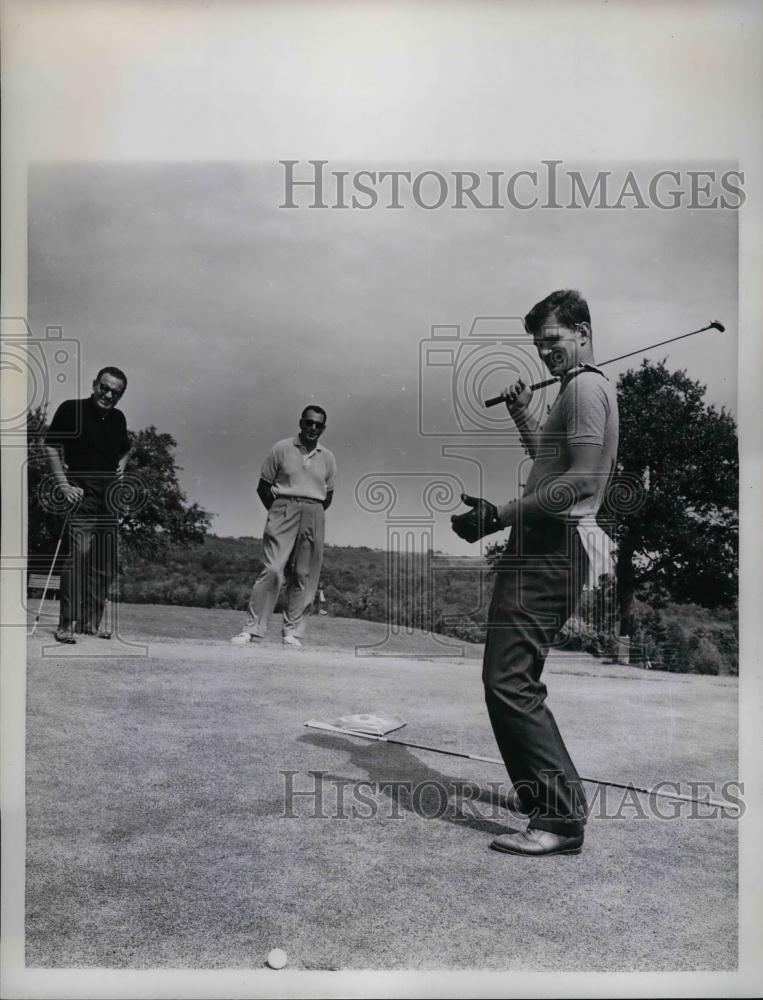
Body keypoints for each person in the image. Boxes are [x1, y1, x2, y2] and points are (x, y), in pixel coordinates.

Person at [451, 290, 619, 856]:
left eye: (554, 340)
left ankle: (560, 818)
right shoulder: (573, 390)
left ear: (583, 333)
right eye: (539, 345)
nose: (546, 353)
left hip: (553, 546)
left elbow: (582, 482)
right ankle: (543, 797)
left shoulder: (589, 388)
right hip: (540, 543)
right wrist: (525, 411)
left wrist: (498, 515)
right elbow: (549, 460)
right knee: (509, 675)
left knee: (509, 679)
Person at [231, 405, 336, 649]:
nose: (313, 428)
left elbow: (328, 496)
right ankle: (252, 629)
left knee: (303, 575)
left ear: (323, 428)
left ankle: (292, 632)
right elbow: (263, 486)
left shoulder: (328, 457)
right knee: (274, 569)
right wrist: (280, 512)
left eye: (318, 425)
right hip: (283, 509)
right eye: (309, 422)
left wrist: (310, 513)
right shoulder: (282, 448)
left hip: (314, 512)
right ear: (301, 423)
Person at [44, 367, 131, 643]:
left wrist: (122, 471)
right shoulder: (71, 410)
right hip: (82, 491)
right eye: (104, 388)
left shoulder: (118, 418)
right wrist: (63, 485)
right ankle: (65, 625)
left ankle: (89, 624)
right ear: (95, 384)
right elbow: (50, 446)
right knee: (79, 554)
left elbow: (126, 448)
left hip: (109, 496)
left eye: (115, 393)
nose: (108, 395)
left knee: (104, 561)